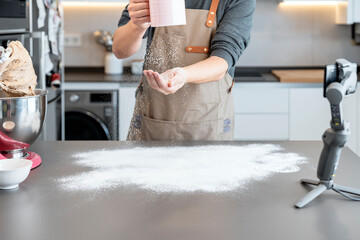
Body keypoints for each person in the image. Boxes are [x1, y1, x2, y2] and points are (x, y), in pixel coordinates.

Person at [113, 0, 256, 141]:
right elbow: (120, 51)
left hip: (209, 126)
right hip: (153, 120)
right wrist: (137, 25)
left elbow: (222, 61)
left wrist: (182, 75)